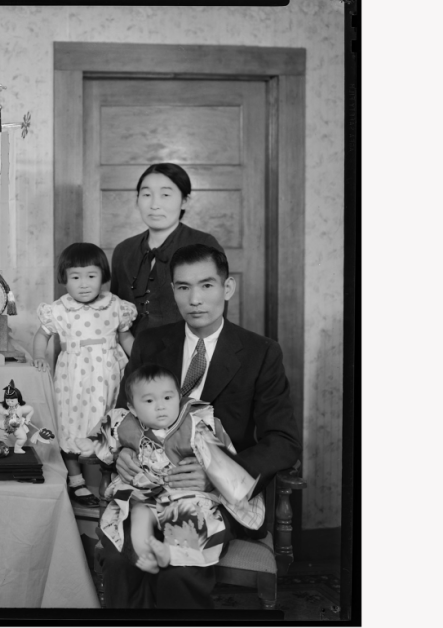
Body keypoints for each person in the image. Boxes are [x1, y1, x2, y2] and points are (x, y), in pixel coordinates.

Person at [98, 243, 302, 608]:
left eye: (207, 285)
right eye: (183, 287)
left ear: (227, 288)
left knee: (178, 567)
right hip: (148, 487)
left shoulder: (260, 352)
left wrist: (215, 474)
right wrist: (123, 454)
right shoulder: (150, 343)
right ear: (173, 290)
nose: (195, 299)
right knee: (121, 560)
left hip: (215, 497)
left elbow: (283, 441)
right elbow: (123, 414)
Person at [73, 364, 264, 574]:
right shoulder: (126, 423)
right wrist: (91, 443)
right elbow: (107, 431)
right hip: (146, 489)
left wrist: (232, 487)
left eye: (167, 398)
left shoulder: (193, 425)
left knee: (186, 513)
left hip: (183, 490)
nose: (160, 407)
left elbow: (219, 459)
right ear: (133, 408)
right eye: (149, 401)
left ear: (179, 398)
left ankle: (173, 553)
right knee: (138, 513)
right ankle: (143, 553)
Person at [32, 243, 138, 506]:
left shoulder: (115, 305)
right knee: (70, 421)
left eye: (91, 276)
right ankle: (76, 479)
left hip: (108, 375)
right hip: (73, 377)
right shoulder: (59, 308)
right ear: (64, 279)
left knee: (108, 420)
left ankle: (109, 475)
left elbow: (125, 337)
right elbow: (42, 335)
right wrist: (39, 356)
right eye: (75, 277)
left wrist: (139, 361)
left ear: (103, 276)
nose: (83, 284)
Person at [109, 163, 223, 338]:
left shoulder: (204, 244)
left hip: (186, 350)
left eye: (166, 195)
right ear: (137, 200)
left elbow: (214, 313)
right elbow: (113, 312)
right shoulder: (123, 250)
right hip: (129, 352)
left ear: (184, 201)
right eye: (147, 195)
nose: (155, 204)